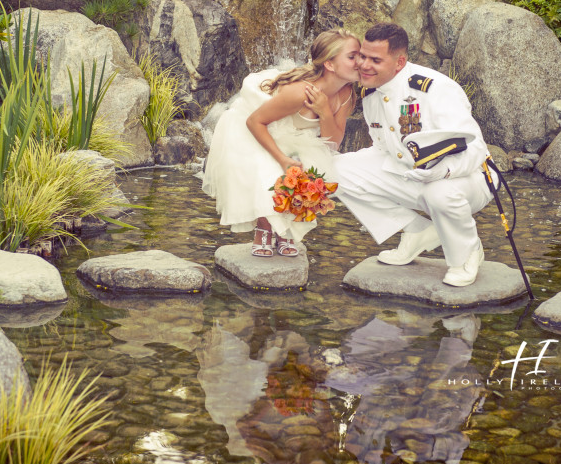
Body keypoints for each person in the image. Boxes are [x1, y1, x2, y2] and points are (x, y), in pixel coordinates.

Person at [335, 22, 494, 286]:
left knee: (439, 193)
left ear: (399, 62)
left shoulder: (434, 89)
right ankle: (416, 231)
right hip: (412, 173)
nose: (364, 65)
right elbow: (383, 149)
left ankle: (467, 253)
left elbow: (475, 148)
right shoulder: (372, 93)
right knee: (332, 170)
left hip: (467, 178)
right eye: (362, 56)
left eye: (375, 59)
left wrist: (442, 172)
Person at [202, 29, 361, 256]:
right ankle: (264, 229)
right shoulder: (299, 93)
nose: (360, 62)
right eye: (352, 56)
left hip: (297, 136)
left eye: (360, 55)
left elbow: (332, 143)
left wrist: (325, 112)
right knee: (270, 172)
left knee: (311, 173)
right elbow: (254, 121)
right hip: (258, 129)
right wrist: (282, 159)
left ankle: (284, 230)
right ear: (330, 65)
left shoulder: (346, 94)